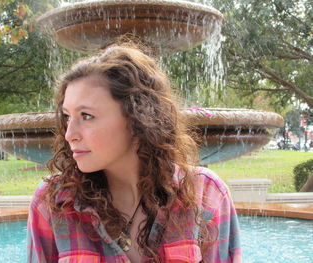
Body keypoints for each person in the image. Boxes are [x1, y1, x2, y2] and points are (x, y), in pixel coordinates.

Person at [27, 44, 241, 263]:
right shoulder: (54, 202)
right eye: (67, 117)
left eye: (86, 116)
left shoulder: (205, 194)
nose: (69, 134)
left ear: (137, 117)